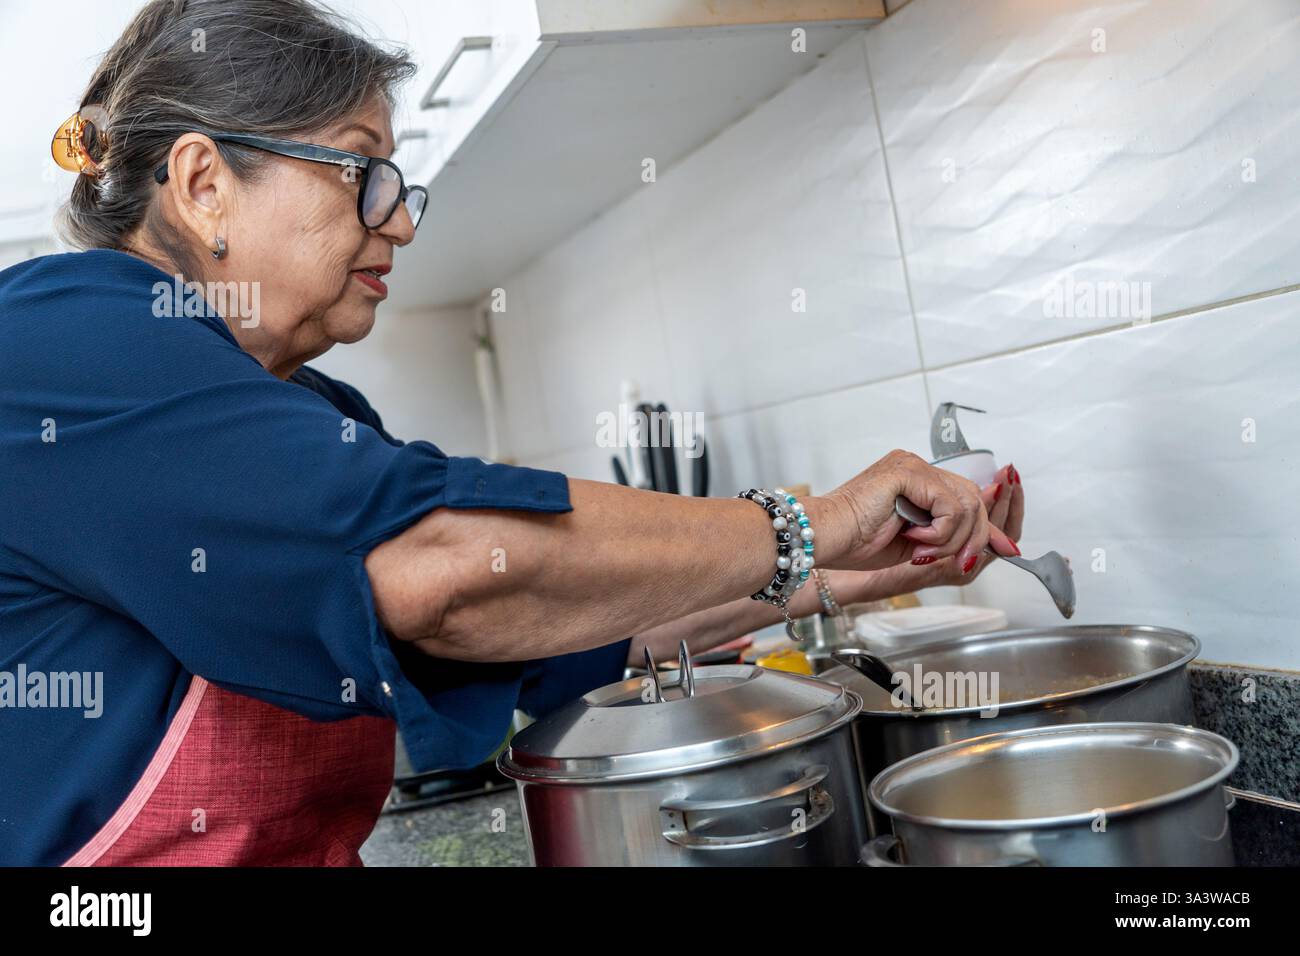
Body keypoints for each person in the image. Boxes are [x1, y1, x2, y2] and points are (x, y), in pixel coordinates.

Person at [0, 0, 1021, 866]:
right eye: (362, 171)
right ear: (203, 180)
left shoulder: (317, 416)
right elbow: (441, 570)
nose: (400, 220)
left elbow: (563, 626)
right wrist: (816, 517)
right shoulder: (70, 335)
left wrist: (870, 568)